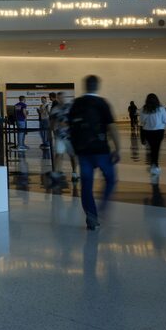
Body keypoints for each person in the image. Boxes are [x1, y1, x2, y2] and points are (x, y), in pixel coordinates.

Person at [68, 75, 121, 231]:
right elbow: (112, 127)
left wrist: (74, 147)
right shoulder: (102, 103)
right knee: (110, 179)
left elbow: (70, 127)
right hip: (101, 150)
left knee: (86, 185)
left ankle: (91, 216)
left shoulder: (76, 103)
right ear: (97, 86)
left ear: (85, 86)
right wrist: (117, 148)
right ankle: (103, 205)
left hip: (83, 152)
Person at [48, 92, 77, 188]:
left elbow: (74, 120)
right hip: (59, 136)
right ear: (57, 98)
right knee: (59, 155)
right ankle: (56, 173)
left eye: (62, 97)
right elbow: (51, 123)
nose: (61, 99)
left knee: (72, 156)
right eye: (59, 98)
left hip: (70, 136)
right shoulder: (54, 109)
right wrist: (52, 132)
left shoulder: (70, 108)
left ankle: (74, 173)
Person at [140, 93, 166, 185]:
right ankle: (155, 165)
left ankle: (153, 165)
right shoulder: (161, 108)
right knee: (156, 148)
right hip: (159, 131)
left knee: (152, 148)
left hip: (148, 131)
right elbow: (165, 120)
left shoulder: (144, 109)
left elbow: (142, 121)